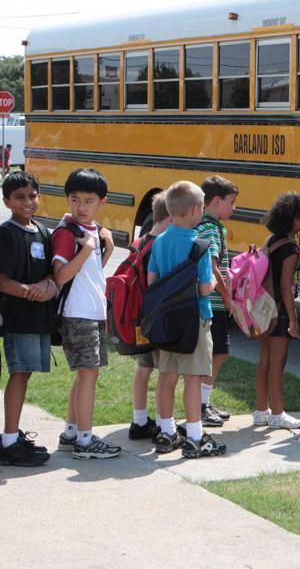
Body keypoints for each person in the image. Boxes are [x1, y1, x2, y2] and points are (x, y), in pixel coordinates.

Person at [148, 180, 225, 459]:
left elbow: (152, 280)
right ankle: (195, 436)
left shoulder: (159, 241)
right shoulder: (200, 245)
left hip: (167, 321)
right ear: (194, 210)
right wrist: (217, 284)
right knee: (193, 379)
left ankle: (167, 432)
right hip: (196, 320)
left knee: (167, 378)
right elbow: (205, 288)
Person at [51, 168, 120, 459]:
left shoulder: (92, 231)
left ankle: (71, 433)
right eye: (75, 199)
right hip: (77, 313)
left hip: (91, 311)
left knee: (84, 375)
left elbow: (91, 274)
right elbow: (61, 276)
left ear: (102, 202)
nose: (81, 207)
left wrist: (106, 249)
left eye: (88, 201)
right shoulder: (69, 233)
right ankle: (85, 440)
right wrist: (88, 248)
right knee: (88, 374)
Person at [0, 171, 58, 466]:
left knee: (27, 373)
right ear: (6, 200)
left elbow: (51, 269)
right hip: (17, 317)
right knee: (19, 373)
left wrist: (49, 285)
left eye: (32, 195)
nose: (27, 201)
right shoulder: (6, 233)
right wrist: (30, 292)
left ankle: (12, 435)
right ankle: (9, 442)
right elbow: (3, 280)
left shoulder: (44, 232)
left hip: (39, 318)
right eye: (20, 197)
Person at [253, 191, 300, 429]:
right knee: (278, 361)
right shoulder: (291, 249)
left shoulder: (271, 241)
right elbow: (286, 287)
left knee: (264, 359)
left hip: (263, 308)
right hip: (279, 310)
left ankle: (260, 410)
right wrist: (293, 320)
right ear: (295, 219)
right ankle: (277, 413)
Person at [194, 175, 238, 428]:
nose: (234, 208)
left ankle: (203, 402)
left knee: (216, 353)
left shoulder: (205, 225)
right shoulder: (210, 227)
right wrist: (227, 297)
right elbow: (212, 267)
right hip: (213, 302)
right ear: (217, 201)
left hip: (210, 300)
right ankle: (201, 404)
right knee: (218, 353)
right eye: (231, 202)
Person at [127, 191, 169, 442]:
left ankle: (139, 420)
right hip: (158, 317)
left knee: (143, 368)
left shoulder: (139, 242)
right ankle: (165, 425)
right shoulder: (161, 244)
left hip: (139, 316)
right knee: (165, 370)